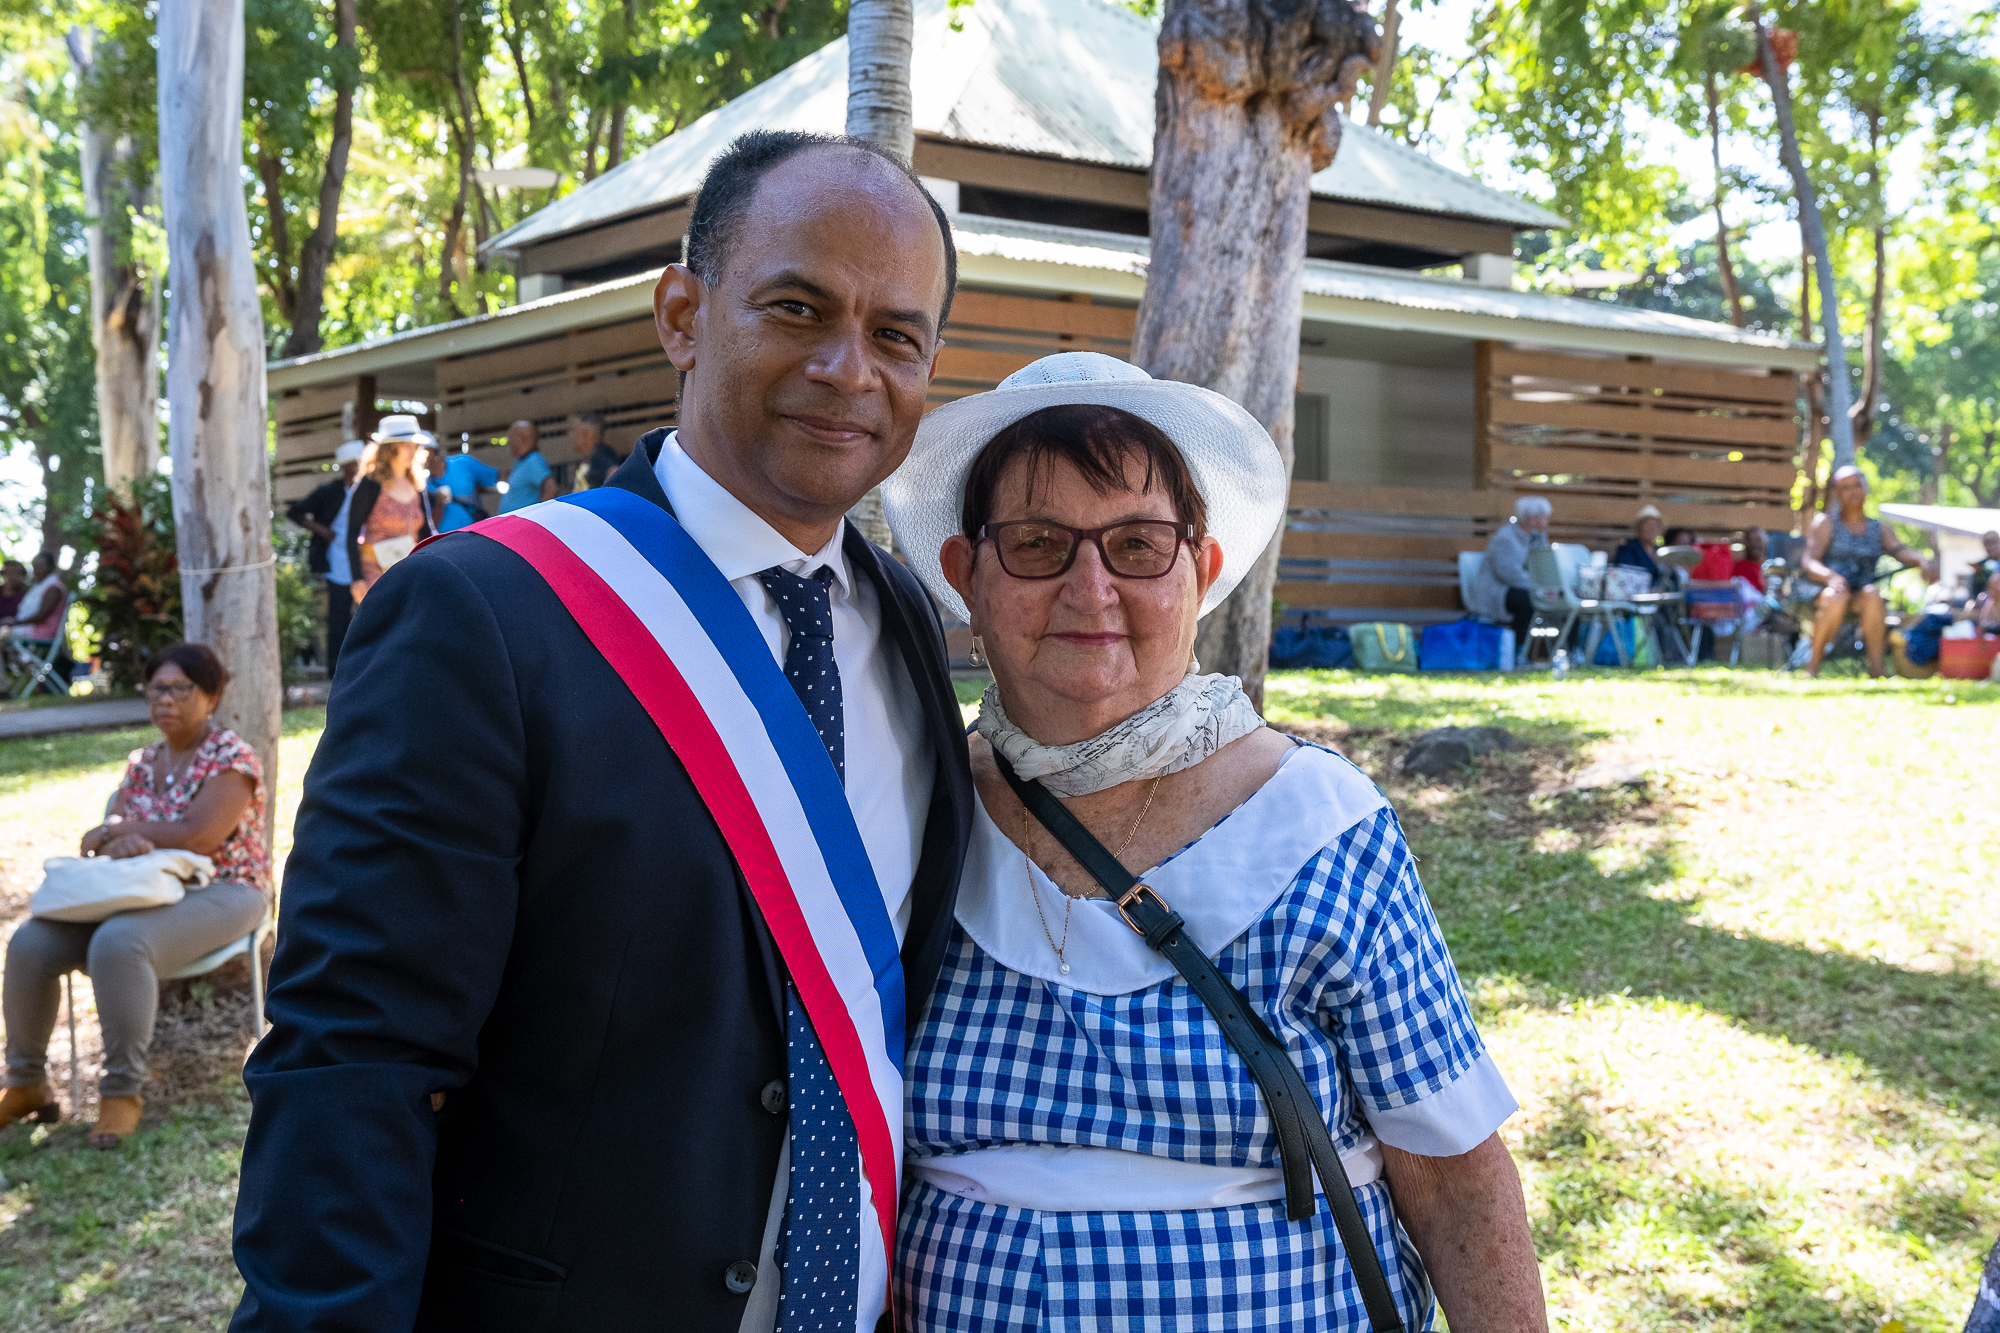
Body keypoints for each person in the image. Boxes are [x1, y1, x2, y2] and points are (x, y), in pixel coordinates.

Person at [230, 130, 973, 1332]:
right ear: (682, 312)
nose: (850, 368)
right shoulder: (483, 612)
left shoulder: (908, 629)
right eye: (796, 306)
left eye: (897, 334)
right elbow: (354, 1058)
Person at [881, 353, 1547, 1332]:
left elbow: (1452, 1181)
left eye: (1137, 545)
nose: (1089, 586)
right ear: (962, 574)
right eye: (1034, 542)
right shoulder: (910, 817)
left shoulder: (1317, 826)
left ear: (1200, 570)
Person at [1, 643, 269, 1148]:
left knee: (120, 942)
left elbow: (200, 835)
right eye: (156, 689)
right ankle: (26, 1082)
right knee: (30, 943)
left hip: (227, 890)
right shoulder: (142, 761)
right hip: (144, 889)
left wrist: (124, 829)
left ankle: (121, 1091)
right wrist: (122, 837)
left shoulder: (232, 757)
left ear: (211, 696)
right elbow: (121, 833)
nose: (164, 699)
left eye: (179, 689)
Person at [1799, 465, 1935, 678]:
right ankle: (1813, 666)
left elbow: (1900, 551)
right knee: (1836, 596)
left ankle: (1877, 668)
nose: (1852, 491)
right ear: (1836, 493)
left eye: (1857, 485)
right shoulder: (1825, 523)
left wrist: (1920, 559)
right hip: (1824, 592)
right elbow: (1809, 561)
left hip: (1861, 592)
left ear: (1865, 488)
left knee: (1873, 595)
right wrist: (1830, 577)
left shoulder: (1879, 528)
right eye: (1845, 487)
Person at [286, 440, 365, 672]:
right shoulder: (329, 491)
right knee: (338, 617)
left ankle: (360, 667)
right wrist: (321, 530)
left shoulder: (368, 491)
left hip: (364, 560)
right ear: (348, 466)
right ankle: (335, 670)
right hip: (337, 561)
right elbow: (295, 511)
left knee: (363, 615)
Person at [345, 415, 438, 604]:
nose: (412, 450)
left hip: (409, 571)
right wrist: (357, 579)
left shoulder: (416, 483)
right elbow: (352, 532)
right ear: (389, 448)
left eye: (414, 445)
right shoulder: (369, 484)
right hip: (375, 574)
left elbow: (426, 531)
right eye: (406, 445)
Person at [1467, 495, 1551, 645]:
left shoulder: (1538, 537)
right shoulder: (1505, 538)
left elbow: (1543, 565)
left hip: (1525, 587)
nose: (1546, 522)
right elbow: (1510, 575)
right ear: (1530, 519)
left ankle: (1571, 652)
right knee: (1527, 602)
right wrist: (1540, 587)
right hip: (1497, 592)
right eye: (1543, 517)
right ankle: (1518, 650)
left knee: (1556, 600)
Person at [431, 438, 500, 531]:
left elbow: (496, 477)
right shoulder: (421, 481)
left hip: (473, 531)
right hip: (442, 538)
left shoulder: (463, 462)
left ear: (435, 452)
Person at [498, 418, 557, 513]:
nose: (509, 442)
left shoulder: (534, 459)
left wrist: (541, 515)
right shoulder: (520, 461)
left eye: (511, 437)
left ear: (522, 438)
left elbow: (551, 488)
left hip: (524, 524)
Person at [1611, 504, 1666, 585]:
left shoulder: (1661, 551)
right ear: (1638, 528)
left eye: (1655, 525)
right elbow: (1624, 575)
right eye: (1647, 525)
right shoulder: (1627, 548)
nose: (1651, 529)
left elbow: (1671, 577)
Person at [577, 410, 622, 489]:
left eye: (577, 434)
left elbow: (615, 472)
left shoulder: (599, 454)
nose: (574, 438)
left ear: (588, 435)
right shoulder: (590, 456)